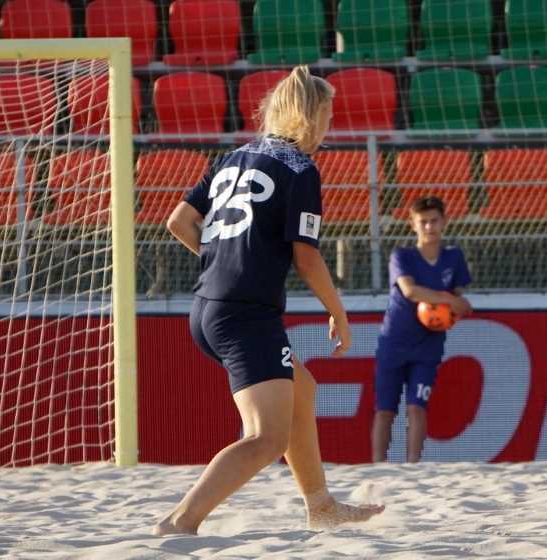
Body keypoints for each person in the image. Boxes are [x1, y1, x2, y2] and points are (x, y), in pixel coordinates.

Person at [154, 66, 384, 535]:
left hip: (209, 307)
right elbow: (307, 257)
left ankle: (320, 505)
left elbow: (178, 222)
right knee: (266, 438)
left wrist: (223, 259)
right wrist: (338, 313)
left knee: (303, 390)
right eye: (328, 113)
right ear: (312, 115)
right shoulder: (300, 168)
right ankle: (180, 521)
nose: (331, 123)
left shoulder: (234, 157)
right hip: (246, 315)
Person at [372, 196, 472, 463]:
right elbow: (410, 291)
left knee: (417, 407)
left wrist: (458, 307)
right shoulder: (402, 256)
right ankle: (378, 466)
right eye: (423, 222)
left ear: (444, 221)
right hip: (394, 341)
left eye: (434, 221)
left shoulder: (453, 257)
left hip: (429, 344)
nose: (429, 227)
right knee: (385, 411)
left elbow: (459, 299)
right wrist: (449, 300)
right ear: (413, 224)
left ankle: (413, 465)